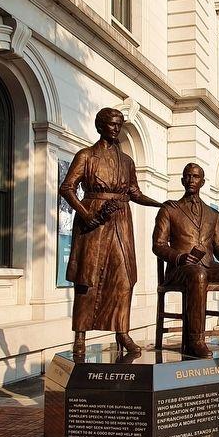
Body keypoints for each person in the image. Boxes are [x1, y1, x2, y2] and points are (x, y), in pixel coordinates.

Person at [59, 108, 161, 357]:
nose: (116, 128)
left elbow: (135, 193)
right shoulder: (86, 155)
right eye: (112, 124)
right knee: (87, 278)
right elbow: (67, 187)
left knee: (124, 277)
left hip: (121, 220)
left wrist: (161, 203)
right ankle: (80, 336)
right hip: (93, 220)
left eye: (119, 124)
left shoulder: (127, 161)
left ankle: (122, 331)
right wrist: (87, 215)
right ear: (100, 126)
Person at [152, 162, 219, 359]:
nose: (191, 180)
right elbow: (158, 245)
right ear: (182, 180)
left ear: (202, 182)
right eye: (188, 176)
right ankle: (195, 339)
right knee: (198, 274)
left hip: (208, 266)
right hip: (180, 269)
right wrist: (179, 257)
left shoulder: (213, 214)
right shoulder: (170, 209)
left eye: (195, 177)